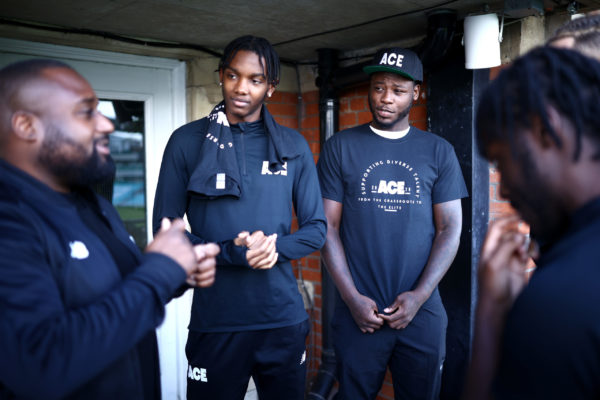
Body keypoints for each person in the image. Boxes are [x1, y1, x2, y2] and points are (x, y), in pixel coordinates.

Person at [0, 59, 219, 399]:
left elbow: (115, 290)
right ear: (27, 125)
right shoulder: (9, 218)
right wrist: (159, 272)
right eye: (87, 112)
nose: (107, 122)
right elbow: (39, 362)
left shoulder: (90, 202)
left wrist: (178, 270)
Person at [153, 35, 326, 400]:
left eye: (255, 79)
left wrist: (274, 249)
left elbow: (316, 229)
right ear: (220, 76)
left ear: (271, 88)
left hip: (282, 321)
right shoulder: (186, 141)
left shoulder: (292, 146)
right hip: (216, 322)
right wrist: (234, 252)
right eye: (233, 76)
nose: (241, 88)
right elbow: (166, 232)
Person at [317, 47, 468, 400]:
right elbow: (327, 227)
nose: (386, 98)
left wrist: (420, 296)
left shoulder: (438, 151)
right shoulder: (341, 147)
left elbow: (450, 228)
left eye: (398, 91)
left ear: (416, 92)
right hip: (358, 314)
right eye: (379, 87)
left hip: (422, 314)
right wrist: (351, 298)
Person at [464, 46, 600, 400]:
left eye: (500, 161)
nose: (504, 188)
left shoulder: (558, 303)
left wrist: (491, 315)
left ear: (545, 129)